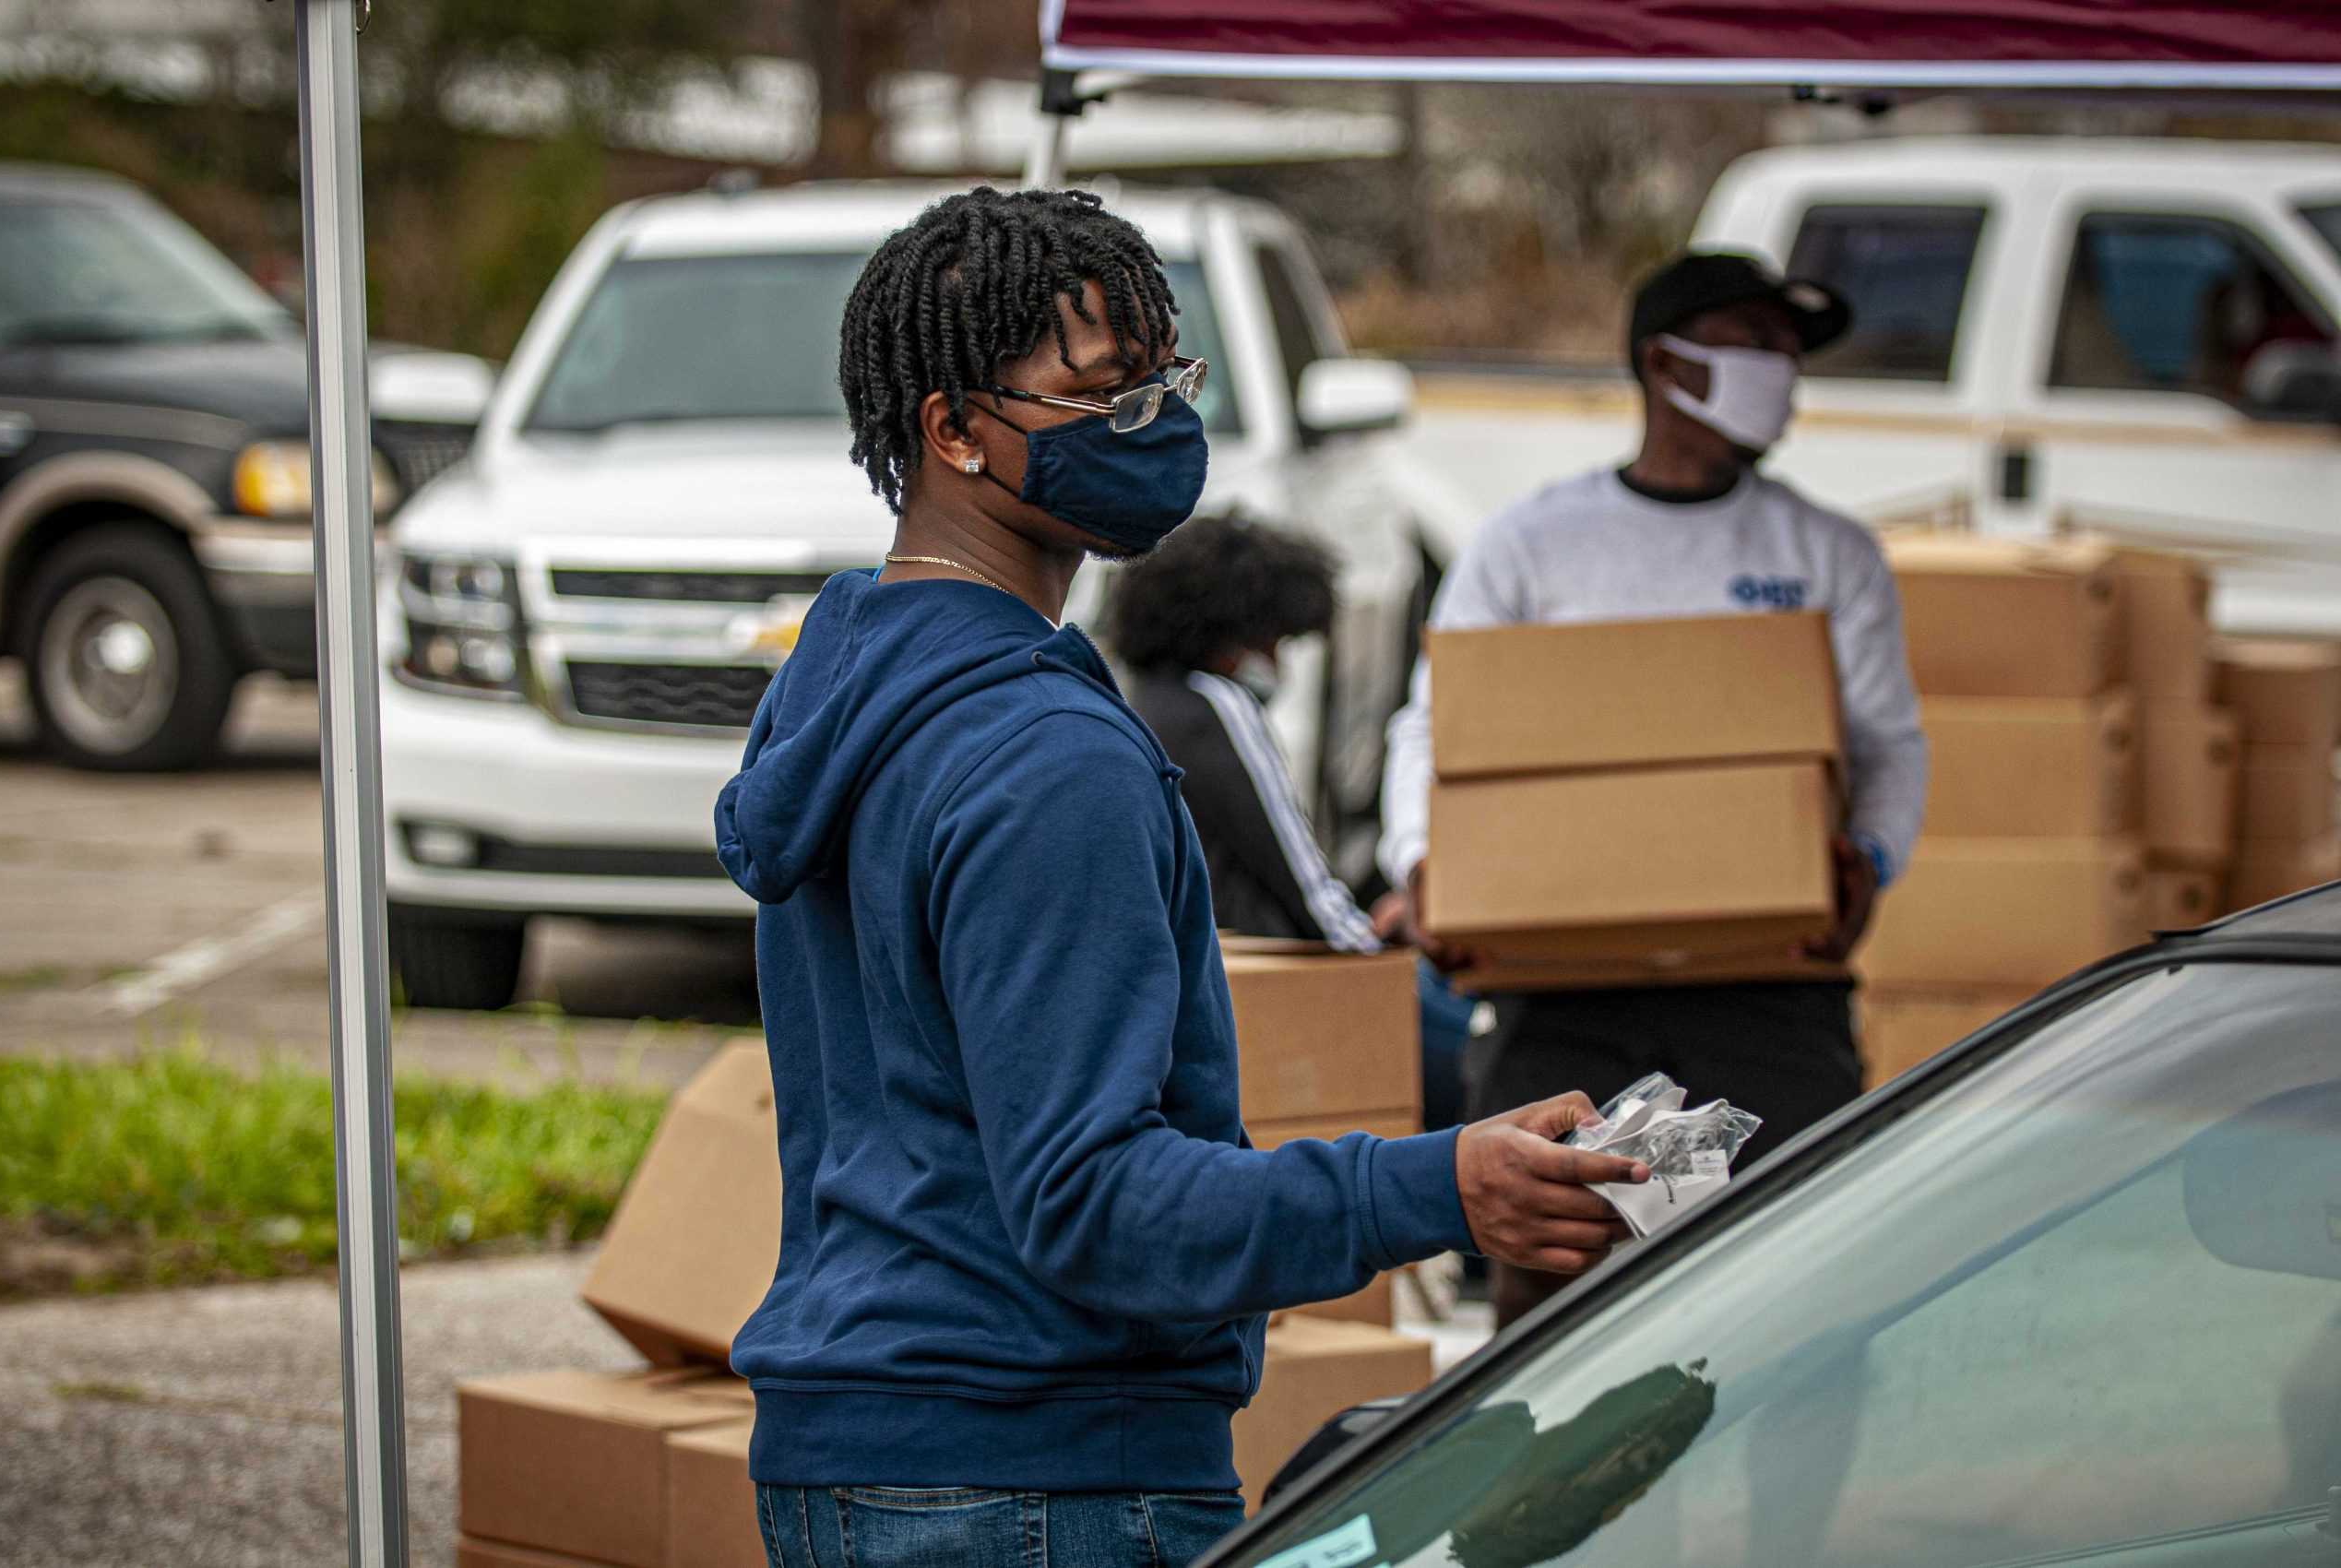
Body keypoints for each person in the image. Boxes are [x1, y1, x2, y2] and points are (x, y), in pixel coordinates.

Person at [713, 186, 1649, 1568]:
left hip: (869, 1454)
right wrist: (1439, 1186)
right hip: (1033, 1478)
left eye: (1166, 377)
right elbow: (1091, 1201)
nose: (1152, 421)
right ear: (954, 429)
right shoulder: (1047, 757)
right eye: (1100, 390)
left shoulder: (851, 690)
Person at [1377, 250, 1929, 1330]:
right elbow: (1436, 725)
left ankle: (1783, 1497)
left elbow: (1889, 743)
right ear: (1660, 362)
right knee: (1544, 1267)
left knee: (1803, 1268)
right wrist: (1420, 865)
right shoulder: (1531, 544)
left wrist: (1868, 859)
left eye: (1787, 353)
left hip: (1764, 980)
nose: (1778, 372)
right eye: (1751, 344)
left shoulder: (1823, 552)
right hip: (1564, 979)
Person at [1109, 513, 1472, 1133]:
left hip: (1209, 982)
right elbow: (1298, 874)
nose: (1278, 660)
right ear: (1236, 633)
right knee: (1472, 1057)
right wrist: (1376, 949)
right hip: (1283, 978)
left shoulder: (1146, 703)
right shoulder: (1219, 705)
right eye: (1274, 642)